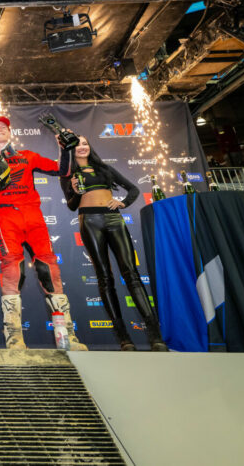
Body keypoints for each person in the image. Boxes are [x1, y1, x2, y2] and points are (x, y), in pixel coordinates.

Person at [0, 115, 87, 351]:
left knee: (49, 270)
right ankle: (14, 339)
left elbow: (64, 170)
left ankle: (67, 337)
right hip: (6, 218)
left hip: (34, 217)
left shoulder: (27, 156)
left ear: (9, 133)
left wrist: (67, 148)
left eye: (3, 127)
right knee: (13, 272)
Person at [62, 135, 168, 351]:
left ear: (90, 147)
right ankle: (124, 338)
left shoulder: (104, 169)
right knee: (104, 277)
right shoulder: (69, 174)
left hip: (114, 220)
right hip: (89, 221)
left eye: (85, 143)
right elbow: (72, 206)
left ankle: (155, 335)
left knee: (131, 273)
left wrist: (123, 202)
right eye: (77, 144)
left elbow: (134, 190)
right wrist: (73, 189)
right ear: (71, 150)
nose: (82, 147)